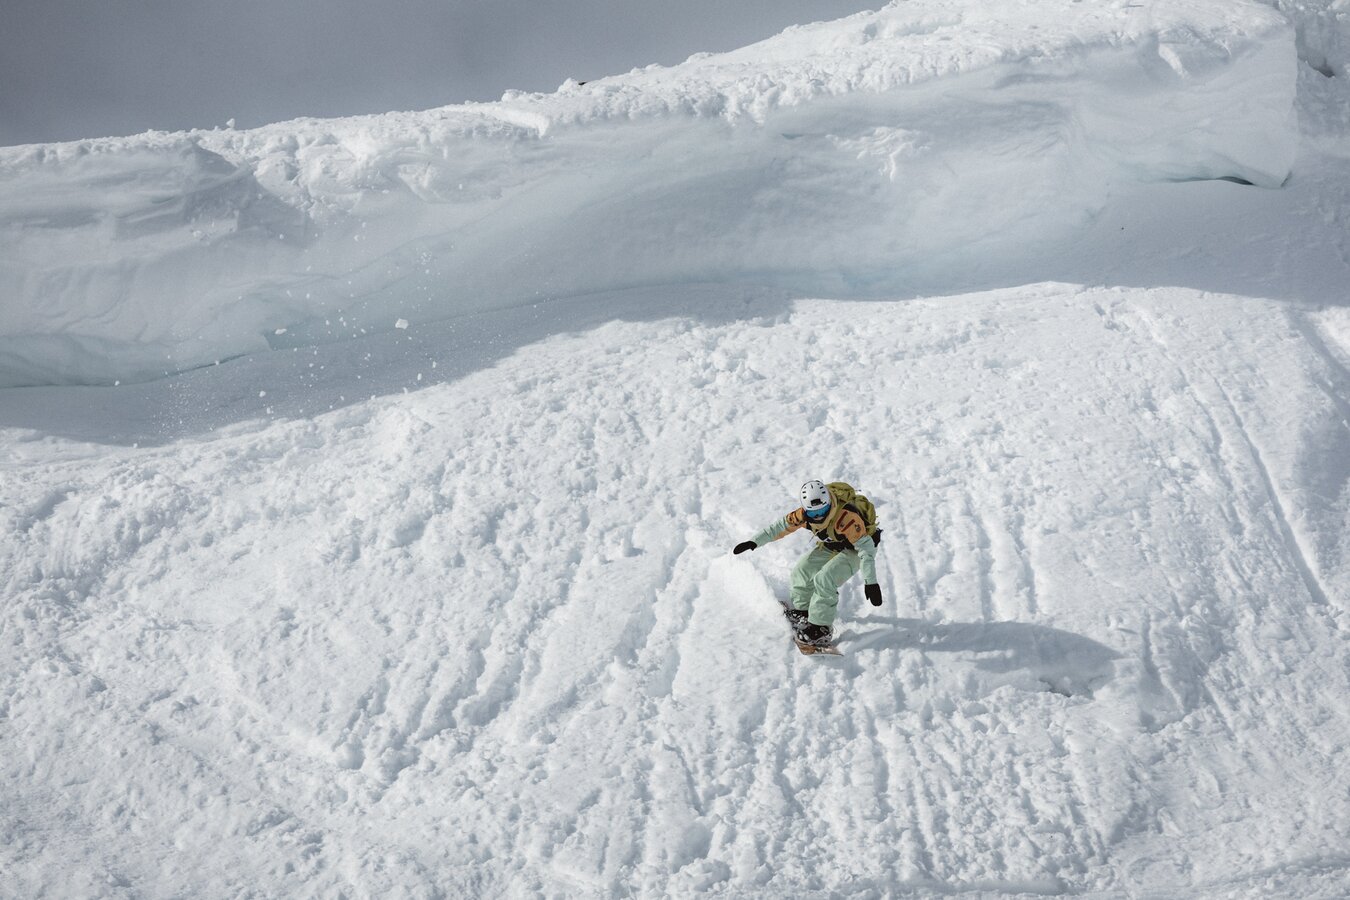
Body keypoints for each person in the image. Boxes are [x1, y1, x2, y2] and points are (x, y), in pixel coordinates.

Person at [733, 479, 883, 647]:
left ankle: (821, 629)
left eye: (823, 510)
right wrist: (754, 542)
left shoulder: (846, 518)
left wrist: (871, 582)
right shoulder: (803, 515)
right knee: (801, 571)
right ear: (806, 510)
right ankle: (804, 611)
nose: (818, 516)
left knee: (825, 579)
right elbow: (780, 526)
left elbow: (866, 550)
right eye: (813, 513)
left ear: (829, 503)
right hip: (834, 543)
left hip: (857, 549)